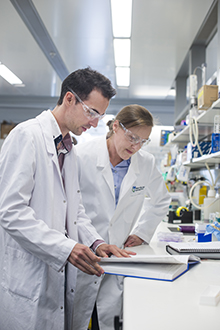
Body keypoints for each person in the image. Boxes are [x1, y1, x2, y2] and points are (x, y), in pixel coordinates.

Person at [0, 67, 134, 330]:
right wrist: (65, 248)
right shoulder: (27, 136)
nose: (96, 123)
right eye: (92, 112)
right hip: (28, 276)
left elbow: (76, 211)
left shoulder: (68, 148)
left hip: (56, 277)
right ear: (69, 99)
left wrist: (96, 242)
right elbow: (10, 211)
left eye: (101, 115)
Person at [72, 104, 171, 330]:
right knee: (76, 316)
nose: (136, 146)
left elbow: (161, 200)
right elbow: (69, 206)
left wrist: (141, 232)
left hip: (118, 254)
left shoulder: (145, 163)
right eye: (132, 137)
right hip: (84, 249)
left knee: (109, 318)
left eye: (143, 141)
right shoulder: (82, 156)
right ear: (116, 126)